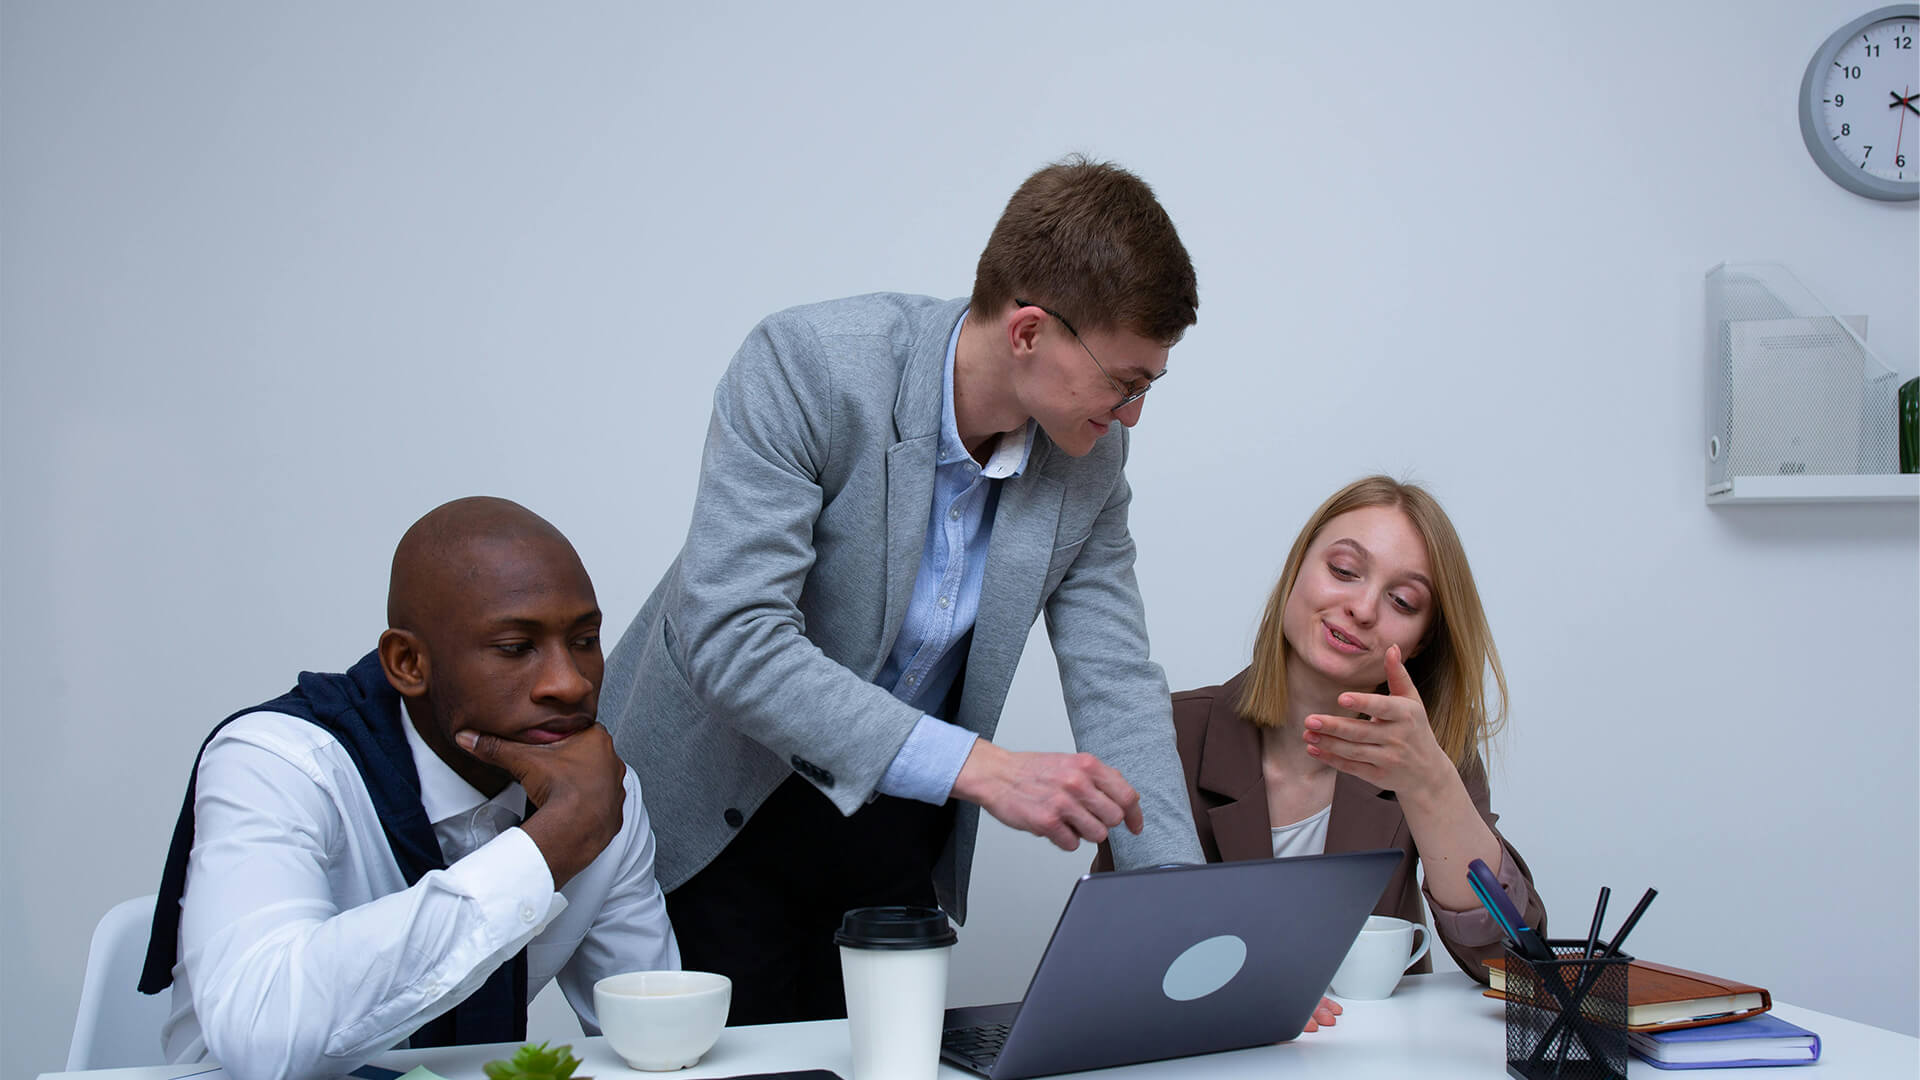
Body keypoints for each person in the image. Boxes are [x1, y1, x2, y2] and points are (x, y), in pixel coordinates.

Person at [599, 155, 1207, 1024]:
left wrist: (1181, 918)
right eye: (1124, 382)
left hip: (892, 828)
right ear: (1030, 332)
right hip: (719, 813)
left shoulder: (1091, 459)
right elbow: (731, 640)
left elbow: (1116, 680)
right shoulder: (808, 365)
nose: (1133, 415)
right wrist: (983, 768)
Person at [140, 497, 678, 1080]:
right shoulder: (279, 764)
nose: (569, 683)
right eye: (516, 648)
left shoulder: (598, 792)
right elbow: (263, 1039)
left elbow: (657, 1036)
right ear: (407, 664)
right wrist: (546, 850)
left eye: (583, 640)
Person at [1096, 475, 1546, 990]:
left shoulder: (1427, 753)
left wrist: (1431, 785)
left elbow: (1514, 965)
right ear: (1296, 571)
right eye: (1344, 570)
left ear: (1423, 643)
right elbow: (1116, 947)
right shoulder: (1162, 731)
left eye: (1402, 601)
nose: (1363, 608)